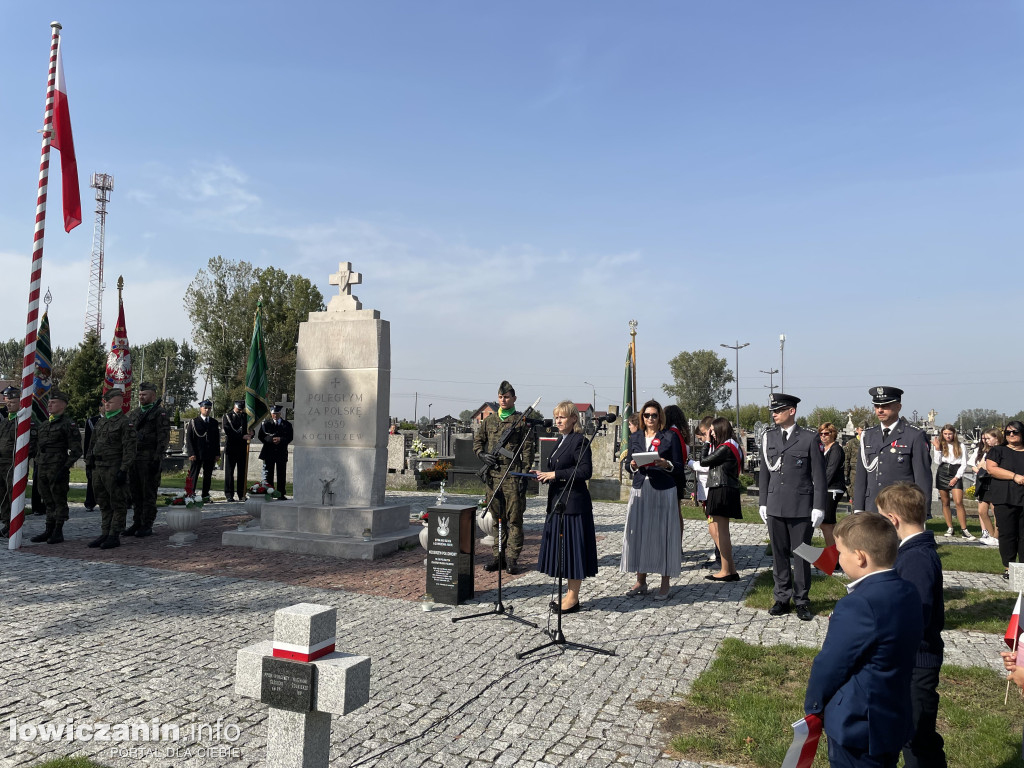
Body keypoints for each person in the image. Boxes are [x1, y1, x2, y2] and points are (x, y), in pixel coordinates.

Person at [803, 512, 924, 768]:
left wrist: (814, 705)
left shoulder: (858, 603)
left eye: (840, 552)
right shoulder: (908, 590)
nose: (837, 558)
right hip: (893, 714)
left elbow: (831, 663)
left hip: (858, 723)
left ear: (859, 556)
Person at [876, 482, 947, 768]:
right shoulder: (911, 551)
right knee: (912, 734)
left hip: (917, 662)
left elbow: (915, 613)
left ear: (892, 519)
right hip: (911, 660)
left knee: (918, 739)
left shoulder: (916, 557)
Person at [758, 393, 826, 621]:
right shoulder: (769, 437)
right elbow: (765, 473)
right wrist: (763, 502)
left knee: (802, 554)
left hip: (800, 505)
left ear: (792, 411)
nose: (774, 414)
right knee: (779, 554)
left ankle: (802, 600)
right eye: (773, 411)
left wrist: (818, 506)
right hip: (775, 504)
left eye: (778, 410)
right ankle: (781, 597)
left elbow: (819, 475)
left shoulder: (809, 438)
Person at [534, 401, 598, 613]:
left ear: (573, 419)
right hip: (558, 503)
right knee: (563, 552)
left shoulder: (580, 440)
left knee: (574, 552)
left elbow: (584, 472)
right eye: (557, 417)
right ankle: (569, 595)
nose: (558, 420)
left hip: (574, 505)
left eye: (562, 417)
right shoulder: (561, 440)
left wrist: (555, 475)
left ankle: (573, 598)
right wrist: (545, 475)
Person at [621, 399, 683, 600]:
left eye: (654, 415)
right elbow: (627, 464)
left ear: (660, 417)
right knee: (638, 534)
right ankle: (641, 580)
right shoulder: (636, 436)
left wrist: (666, 464)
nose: (650, 418)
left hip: (663, 489)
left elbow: (679, 467)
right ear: (642, 417)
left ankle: (665, 583)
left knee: (662, 535)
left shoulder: (669, 437)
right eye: (646, 415)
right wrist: (631, 465)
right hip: (640, 488)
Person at [472, 380, 536, 574]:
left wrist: (523, 474)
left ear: (514, 398)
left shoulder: (520, 421)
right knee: (497, 519)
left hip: (513, 477)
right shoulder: (489, 421)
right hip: (493, 476)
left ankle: (512, 559)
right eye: (500, 397)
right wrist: (482, 455)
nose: (503, 400)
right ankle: (498, 556)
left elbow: (527, 450)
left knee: (514, 519)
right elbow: (478, 442)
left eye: (507, 397)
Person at [854, 386, 932, 514]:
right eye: (877, 406)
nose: (880, 410)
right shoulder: (867, 436)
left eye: (885, 406)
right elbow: (861, 477)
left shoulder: (914, 435)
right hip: (872, 506)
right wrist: (858, 507)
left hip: (902, 507)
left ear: (898, 407)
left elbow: (922, 477)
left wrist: (923, 511)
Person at [85, 388, 137, 549]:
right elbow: (91, 444)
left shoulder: (124, 423)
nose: (106, 404)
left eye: (110, 401)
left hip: (114, 467)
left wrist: (124, 469)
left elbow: (130, 449)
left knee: (117, 503)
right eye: (105, 401)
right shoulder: (101, 422)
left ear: (120, 403)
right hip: (98, 468)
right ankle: (105, 532)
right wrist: (89, 463)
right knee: (103, 503)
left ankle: (115, 534)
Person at [29, 390, 82, 545]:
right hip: (43, 466)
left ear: (63, 405)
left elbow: (77, 450)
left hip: (57, 467)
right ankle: (48, 528)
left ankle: (58, 530)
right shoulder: (44, 424)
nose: (49, 405)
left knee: (58, 499)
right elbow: (37, 446)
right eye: (49, 402)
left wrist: (65, 467)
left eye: (53, 402)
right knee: (46, 499)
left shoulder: (68, 424)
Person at [696, 416, 742, 582]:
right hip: (723, 488)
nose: (712, 434)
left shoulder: (726, 447)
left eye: (713, 431)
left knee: (722, 533)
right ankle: (731, 569)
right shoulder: (732, 445)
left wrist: (707, 442)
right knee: (722, 532)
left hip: (722, 489)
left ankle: (725, 570)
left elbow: (704, 461)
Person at [125, 382, 171, 537]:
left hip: (149, 459)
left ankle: (147, 524)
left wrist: (157, 459)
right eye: (139, 394)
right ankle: (137, 522)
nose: (141, 397)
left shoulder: (160, 413)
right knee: (135, 493)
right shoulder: (135, 413)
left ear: (153, 395)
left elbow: (163, 438)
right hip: (134, 459)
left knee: (148, 493)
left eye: (144, 394)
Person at [985, 420, 1024, 580]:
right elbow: (991, 469)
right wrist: (1015, 477)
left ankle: (1022, 569)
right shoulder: (998, 451)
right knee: (1008, 534)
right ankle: (1009, 567)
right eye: (1008, 432)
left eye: (1015, 432)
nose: (1012, 435)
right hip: (1005, 498)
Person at [932, 424, 973, 540]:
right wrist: (937, 449)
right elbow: (937, 461)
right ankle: (950, 527)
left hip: (956, 471)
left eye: (949, 433)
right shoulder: (940, 445)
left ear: (953, 434)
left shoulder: (961, 446)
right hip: (943, 471)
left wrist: (956, 477)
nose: (947, 436)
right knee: (945, 502)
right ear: (942, 434)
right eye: (945, 434)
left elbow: (964, 463)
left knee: (958, 501)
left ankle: (964, 529)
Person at [663, 404, 690, 550]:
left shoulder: (672, 433)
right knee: (677, 511)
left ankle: (674, 545)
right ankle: (677, 545)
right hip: (679, 476)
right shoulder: (681, 432)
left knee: (672, 513)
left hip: (673, 475)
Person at [970, 428, 1001, 547]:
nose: (986, 441)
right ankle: (992, 535)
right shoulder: (987, 451)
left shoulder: (1001, 450)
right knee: (982, 511)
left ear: (996, 438)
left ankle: (996, 537)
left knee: (995, 512)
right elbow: (980, 465)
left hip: (994, 482)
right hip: (984, 483)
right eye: (985, 438)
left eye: (988, 438)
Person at [185, 399, 221, 502]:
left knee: (208, 475)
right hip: (197, 453)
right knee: (194, 474)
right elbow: (189, 439)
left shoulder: (213, 422)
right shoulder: (194, 422)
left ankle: (205, 495)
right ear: (201, 408)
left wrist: (217, 453)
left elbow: (216, 439)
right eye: (205, 408)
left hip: (209, 453)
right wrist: (191, 453)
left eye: (209, 408)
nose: (207, 410)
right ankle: (190, 494)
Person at [819, 422, 845, 549]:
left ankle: (833, 557)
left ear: (832, 434)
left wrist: (818, 488)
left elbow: (830, 471)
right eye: (821, 433)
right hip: (825, 488)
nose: (823, 436)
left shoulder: (836, 449)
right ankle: (836, 553)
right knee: (828, 524)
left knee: (826, 524)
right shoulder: (823, 449)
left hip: (833, 488)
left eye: (826, 433)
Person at [0, 386, 20, 538]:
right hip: (1, 463)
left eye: (12, 402)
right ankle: (7, 523)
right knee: (3, 495)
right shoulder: (5, 422)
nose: (8, 404)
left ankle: (15, 524)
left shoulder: (23, 422)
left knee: (13, 495)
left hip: (13, 464)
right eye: (8, 402)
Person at [222, 400, 251, 501]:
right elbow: (228, 431)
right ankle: (229, 494)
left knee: (242, 472)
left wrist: (251, 433)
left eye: (241, 409)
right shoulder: (227, 416)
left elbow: (249, 429)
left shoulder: (245, 416)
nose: (240, 411)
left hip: (242, 448)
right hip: (231, 447)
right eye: (239, 409)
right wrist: (242, 437)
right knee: (229, 472)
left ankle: (241, 494)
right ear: (235, 407)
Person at [82, 405, 102, 511]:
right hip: (94, 454)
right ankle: (90, 502)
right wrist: (86, 456)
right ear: (100, 408)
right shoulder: (92, 421)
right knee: (91, 479)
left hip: (109, 456)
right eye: (103, 405)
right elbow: (88, 440)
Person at [843, 421, 866, 500]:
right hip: (854, 474)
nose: (864, 432)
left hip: (867, 473)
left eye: (866, 430)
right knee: (855, 497)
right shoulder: (851, 443)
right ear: (857, 430)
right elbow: (846, 459)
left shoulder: (871, 442)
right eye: (862, 430)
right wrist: (846, 475)